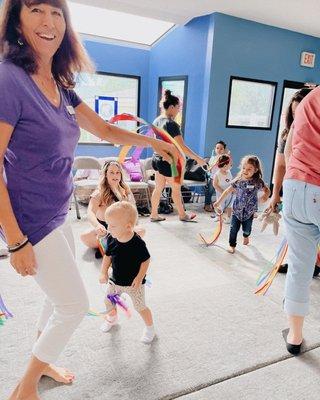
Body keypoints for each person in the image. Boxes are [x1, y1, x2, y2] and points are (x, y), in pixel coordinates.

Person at [0, 1, 176, 399]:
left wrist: (153, 142)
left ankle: (39, 367)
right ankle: (24, 387)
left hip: (57, 209)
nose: (48, 22)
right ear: (16, 20)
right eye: (36, 10)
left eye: (56, 13)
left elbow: (103, 128)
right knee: (73, 305)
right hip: (29, 217)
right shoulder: (9, 80)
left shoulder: (59, 83)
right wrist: (15, 240)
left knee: (56, 297)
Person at [277, 86, 320, 355]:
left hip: (295, 187)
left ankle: (294, 336)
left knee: (299, 267)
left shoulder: (310, 99)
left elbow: (290, 148)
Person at [268, 87, 320, 277]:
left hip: (305, 187)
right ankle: (302, 263)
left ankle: (313, 263)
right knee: (298, 235)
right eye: (294, 112)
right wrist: (275, 194)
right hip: (296, 187)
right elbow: (280, 165)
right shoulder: (287, 134)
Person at [99, 201, 155, 343]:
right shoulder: (112, 238)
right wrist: (103, 272)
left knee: (140, 306)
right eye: (107, 225)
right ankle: (112, 318)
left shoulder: (137, 243)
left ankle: (150, 328)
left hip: (133, 284)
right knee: (108, 301)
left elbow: (146, 260)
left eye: (112, 226)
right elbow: (107, 256)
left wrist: (139, 277)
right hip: (115, 280)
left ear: (128, 226)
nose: (108, 229)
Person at [150, 89, 207, 222]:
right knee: (176, 189)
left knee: (158, 188)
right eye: (178, 107)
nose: (178, 110)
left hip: (157, 159)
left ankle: (153, 214)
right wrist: (198, 158)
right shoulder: (171, 124)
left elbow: (155, 142)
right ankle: (182, 215)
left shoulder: (157, 120)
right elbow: (181, 146)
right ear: (171, 107)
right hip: (168, 161)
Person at [80, 160, 144, 259]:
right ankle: (117, 245)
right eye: (112, 172)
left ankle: (109, 247)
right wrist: (97, 226)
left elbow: (133, 209)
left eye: (118, 172)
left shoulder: (126, 189)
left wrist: (132, 224)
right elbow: (90, 212)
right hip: (105, 230)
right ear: (105, 174)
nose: (115, 175)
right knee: (85, 236)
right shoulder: (99, 192)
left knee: (141, 230)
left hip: (121, 228)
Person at [214, 155, 270, 254]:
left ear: (256, 170)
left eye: (249, 169)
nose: (245, 170)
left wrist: (265, 197)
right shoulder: (238, 180)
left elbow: (267, 190)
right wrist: (218, 202)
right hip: (237, 210)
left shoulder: (257, 182)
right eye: (244, 168)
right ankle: (232, 245)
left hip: (249, 212)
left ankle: (246, 236)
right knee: (233, 229)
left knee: (247, 229)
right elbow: (227, 191)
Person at [204, 140, 231, 212]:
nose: (219, 150)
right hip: (213, 178)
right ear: (215, 149)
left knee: (221, 192)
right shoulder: (213, 158)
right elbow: (210, 168)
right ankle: (207, 205)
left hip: (222, 179)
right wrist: (216, 161)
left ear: (224, 150)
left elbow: (229, 166)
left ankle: (221, 206)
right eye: (217, 148)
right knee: (210, 191)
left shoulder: (225, 158)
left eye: (221, 148)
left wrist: (227, 156)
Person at [212, 154, 233, 223]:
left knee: (229, 205)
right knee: (220, 205)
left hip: (229, 192)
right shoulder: (217, 174)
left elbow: (231, 181)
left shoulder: (229, 172)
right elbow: (215, 184)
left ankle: (228, 217)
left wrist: (232, 189)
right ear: (225, 165)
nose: (231, 166)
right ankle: (218, 216)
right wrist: (222, 191)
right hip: (220, 193)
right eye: (230, 164)